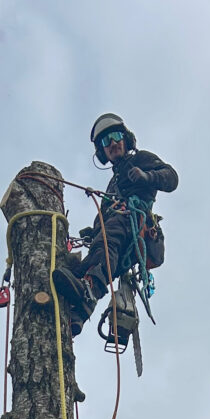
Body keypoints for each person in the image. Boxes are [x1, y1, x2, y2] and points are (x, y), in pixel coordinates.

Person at [52, 113, 178, 336]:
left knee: (106, 245)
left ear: (126, 138)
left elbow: (171, 177)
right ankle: (78, 315)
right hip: (116, 239)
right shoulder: (113, 183)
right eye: (105, 141)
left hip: (133, 225)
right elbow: (105, 215)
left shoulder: (141, 159)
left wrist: (146, 177)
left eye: (116, 136)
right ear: (101, 151)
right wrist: (93, 231)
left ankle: (88, 290)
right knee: (85, 265)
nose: (112, 144)